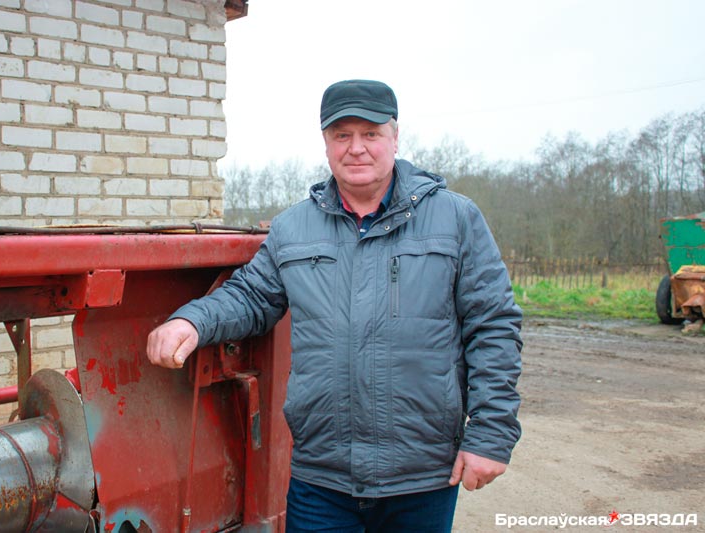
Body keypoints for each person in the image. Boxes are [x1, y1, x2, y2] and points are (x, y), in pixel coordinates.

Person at [147, 79, 522, 532]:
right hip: (321, 474)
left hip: (422, 475)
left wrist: (490, 435)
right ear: (326, 142)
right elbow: (252, 295)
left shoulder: (455, 219)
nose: (356, 148)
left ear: (395, 137)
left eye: (371, 134)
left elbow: (493, 326)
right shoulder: (294, 227)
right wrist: (192, 320)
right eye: (342, 135)